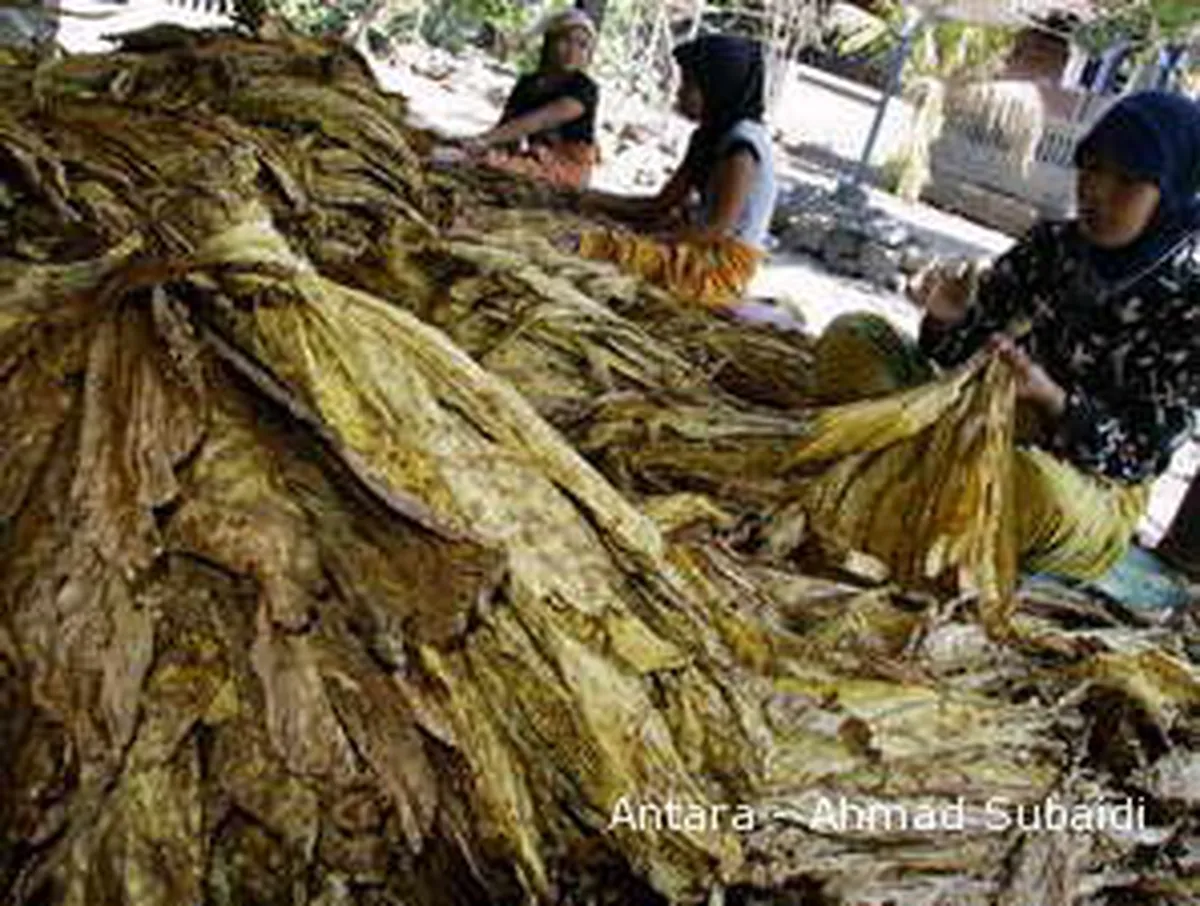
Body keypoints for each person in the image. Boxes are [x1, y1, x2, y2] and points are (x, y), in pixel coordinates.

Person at [813, 91, 1200, 583]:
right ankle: (930, 474)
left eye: (1125, 180)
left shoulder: (1188, 307)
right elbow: (966, 358)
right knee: (857, 335)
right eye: (1092, 168)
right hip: (969, 421)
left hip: (1083, 482)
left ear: (1172, 194)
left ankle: (916, 473)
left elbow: (1138, 457)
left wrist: (1054, 402)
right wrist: (949, 322)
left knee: (1029, 491)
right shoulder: (1049, 246)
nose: (1096, 191)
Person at [573, 33, 778, 308]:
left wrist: (644, 242)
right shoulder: (708, 136)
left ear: (718, 88)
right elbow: (660, 204)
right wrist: (592, 199)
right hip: (702, 244)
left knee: (601, 249)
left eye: (690, 84)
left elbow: (715, 230)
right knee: (612, 233)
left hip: (719, 265)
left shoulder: (742, 147)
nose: (680, 92)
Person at [455, 9, 600, 190]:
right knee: (483, 160)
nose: (573, 50)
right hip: (536, 157)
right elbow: (507, 128)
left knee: (494, 165)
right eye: (565, 40)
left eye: (582, 45)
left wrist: (482, 141)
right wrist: (489, 147)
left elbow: (541, 120)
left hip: (568, 170)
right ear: (549, 42)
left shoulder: (584, 88)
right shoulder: (528, 84)